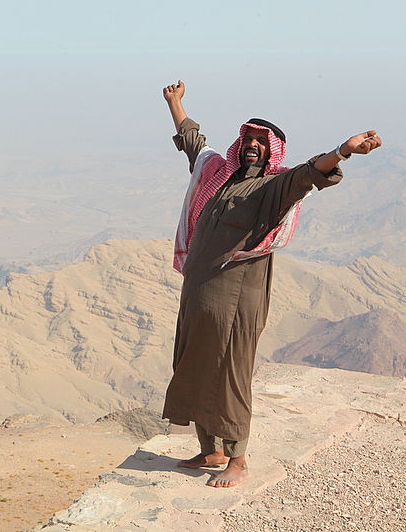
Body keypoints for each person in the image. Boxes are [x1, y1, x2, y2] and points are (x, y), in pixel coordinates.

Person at [160, 79, 382, 488]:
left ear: (272, 150)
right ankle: (210, 448)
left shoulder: (272, 188)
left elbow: (310, 174)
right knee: (193, 364)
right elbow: (194, 142)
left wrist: (345, 150)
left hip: (235, 300)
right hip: (198, 294)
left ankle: (237, 460)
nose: (253, 145)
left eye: (263, 142)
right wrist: (176, 103)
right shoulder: (218, 174)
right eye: (249, 138)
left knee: (230, 373)